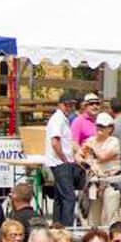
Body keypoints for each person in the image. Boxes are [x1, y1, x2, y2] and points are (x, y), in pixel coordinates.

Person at [78, 111, 121, 228]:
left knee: (111, 216)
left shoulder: (114, 142)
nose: (100, 129)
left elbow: (103, 157)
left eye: (103, 126)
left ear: (110, 128)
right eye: (98, 125)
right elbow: (78, 155)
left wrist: (92, 147)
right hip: (95, 182)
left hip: (111, 182)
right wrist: (85, 164)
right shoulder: (91, 140)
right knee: (93, 218)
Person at [44, 90, 79, 227]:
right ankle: (67, 228)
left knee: (60, 197)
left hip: (60, 162)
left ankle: (57, 226)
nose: (70, 108)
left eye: (72, 105)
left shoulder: (62, 119)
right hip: (60, 163)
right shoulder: (58, 119)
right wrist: (64, 158)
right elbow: (55, 142)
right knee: (69, 197)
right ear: (60, 105)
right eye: (67, 105)